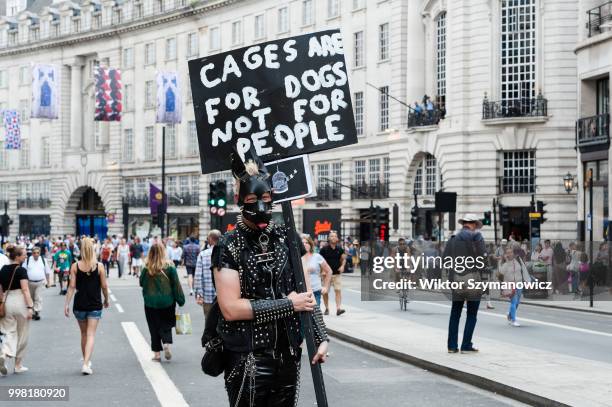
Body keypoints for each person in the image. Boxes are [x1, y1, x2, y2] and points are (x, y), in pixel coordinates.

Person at [212, 151, 329, 406]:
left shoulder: (288, 238)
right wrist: (288, 305)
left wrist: (320, 337)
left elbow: (306, 295)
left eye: (266, 198)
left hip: (288, 354)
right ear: (239, 198)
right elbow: (231, 309)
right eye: (253, 199)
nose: (261, 206)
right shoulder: (228, 246)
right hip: (247, 357)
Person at [63, 238, 109, 375]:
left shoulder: (75, 266)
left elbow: (71, 287)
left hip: (79, 304)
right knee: (91, 334)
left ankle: (86, 361)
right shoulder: (99, 266)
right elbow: (104, 286)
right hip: (95, 304)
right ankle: (85, 363)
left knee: (83, 334)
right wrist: (106, 299)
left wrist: (66, 304)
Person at [444, 214, 486, 354]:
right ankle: (466, 345)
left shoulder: (453, 239)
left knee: (455, 313)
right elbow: (482, 260)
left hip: (457, 280)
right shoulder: (477, 238)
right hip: (472, 279)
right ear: (473, 224)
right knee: (472, 314)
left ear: (463, 224)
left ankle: (452, 346)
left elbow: (445, 260)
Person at [140, 243, 185, 362]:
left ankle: (157, 354)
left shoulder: (146, 267)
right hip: (167, 302)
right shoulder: (170, 266)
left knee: (153, 327)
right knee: (166, 324)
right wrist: (180, 300)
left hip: (150, 302)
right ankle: (166, 343)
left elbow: (141, 283)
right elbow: (176, 284)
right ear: (163, 251)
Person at [0, 245, 34, 375]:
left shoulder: (2, 270)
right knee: (22, 334)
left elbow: (0, 290)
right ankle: (18, 365)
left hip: (6, 301)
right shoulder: (21, 270)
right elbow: (25, 290)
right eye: (24, 254)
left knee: (9, 332)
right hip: (20, 301)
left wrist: (1, 302)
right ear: (18, 257)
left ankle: (4, 354)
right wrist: (30, 307)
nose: (26, 256)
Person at [497, 248, 529, 327]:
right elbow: (501, 272)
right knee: (514, 302)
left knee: (517, 302)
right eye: (508, 253)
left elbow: (524, 269)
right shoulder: (505, 264)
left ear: (513, 253)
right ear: (506, 254)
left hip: (519, 283)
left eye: (511, 252)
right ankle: (513, 320)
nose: (510, 254)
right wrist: (501, 261)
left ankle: (510, 314)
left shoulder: (518, 260)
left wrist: (527, 280)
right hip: (510, 285)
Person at [194, 230, 221, 318]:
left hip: (207, 296)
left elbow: (198, 276)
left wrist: (199, 294)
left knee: (209, 323)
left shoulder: (203, 255)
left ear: (210, 239)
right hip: (223, 296)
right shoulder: (225, 253)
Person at [320, 231, 347, 316]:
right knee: (325, 292)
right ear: (329, 238)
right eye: (332, 236)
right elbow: (320, 261)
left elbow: (344, 259)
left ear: (337, 238)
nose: (333, 238)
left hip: (337, 273)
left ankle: (338, 309)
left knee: (338, 290)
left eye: (335, 236)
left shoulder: (340, 249)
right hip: (326, 274)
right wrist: (322, 270)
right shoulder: (324, 249)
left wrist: (342, 266)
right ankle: (327, 308)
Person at [302, 235, 332, 307]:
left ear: (310, 244)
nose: (305, 244)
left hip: (315, 291)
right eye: (302, 243)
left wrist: (326, 287)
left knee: (315, 315)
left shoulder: (317, 256)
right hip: (301, 292)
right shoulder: (297, 258)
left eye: (307, 242)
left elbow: (329, 271)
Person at [24, 247, 49, 320]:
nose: (36, 254)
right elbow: (24, 271)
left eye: (37, 253)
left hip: (40, 282)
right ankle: (31, 311)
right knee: (31, 297)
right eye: (34, 253)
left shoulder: (43, 260)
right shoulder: (27, 260)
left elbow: (47, 271)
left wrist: (48, 282)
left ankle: (37, 312)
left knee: (38, 297)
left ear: (40, 253)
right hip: (30, 282)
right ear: (32, 253)